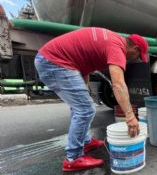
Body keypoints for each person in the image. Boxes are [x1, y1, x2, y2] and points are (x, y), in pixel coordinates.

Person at [34, 28, 149, 171]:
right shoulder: (117, 47)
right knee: (85, 109)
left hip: (54, 60)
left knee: (81, 106)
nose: (134, 59)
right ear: (135, 48)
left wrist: (85, 89)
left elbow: (85, 66)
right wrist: (130, 116)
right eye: (137, 56)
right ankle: (73, 158)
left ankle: (85, 141)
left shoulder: (112, 40)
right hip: (54, 62)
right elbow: (118, 84)